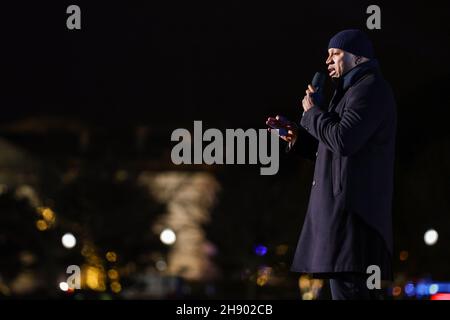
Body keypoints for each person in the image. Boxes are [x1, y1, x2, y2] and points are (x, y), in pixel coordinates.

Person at [267, 29, 397, 300]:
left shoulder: (369, 89)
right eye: (328, 54)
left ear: (358, 58)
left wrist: (313, 114)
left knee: (351, 291)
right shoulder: (348, 93)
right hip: (344, 217)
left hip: (356, 217)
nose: (328, 61)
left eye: (336, 54)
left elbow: (344, 140)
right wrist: (298, 138)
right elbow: (332, 147)